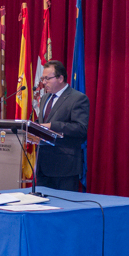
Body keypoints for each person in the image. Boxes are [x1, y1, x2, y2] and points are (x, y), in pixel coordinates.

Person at [35, 60, 90, 192]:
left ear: (60, 78)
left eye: (47, 78)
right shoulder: (44, 98)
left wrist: (52, 126)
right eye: (43, 78)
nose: (44, 82)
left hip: (64, 167)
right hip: (43, 165)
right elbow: (42, 122)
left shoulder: (77, 98)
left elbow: (80, 129)